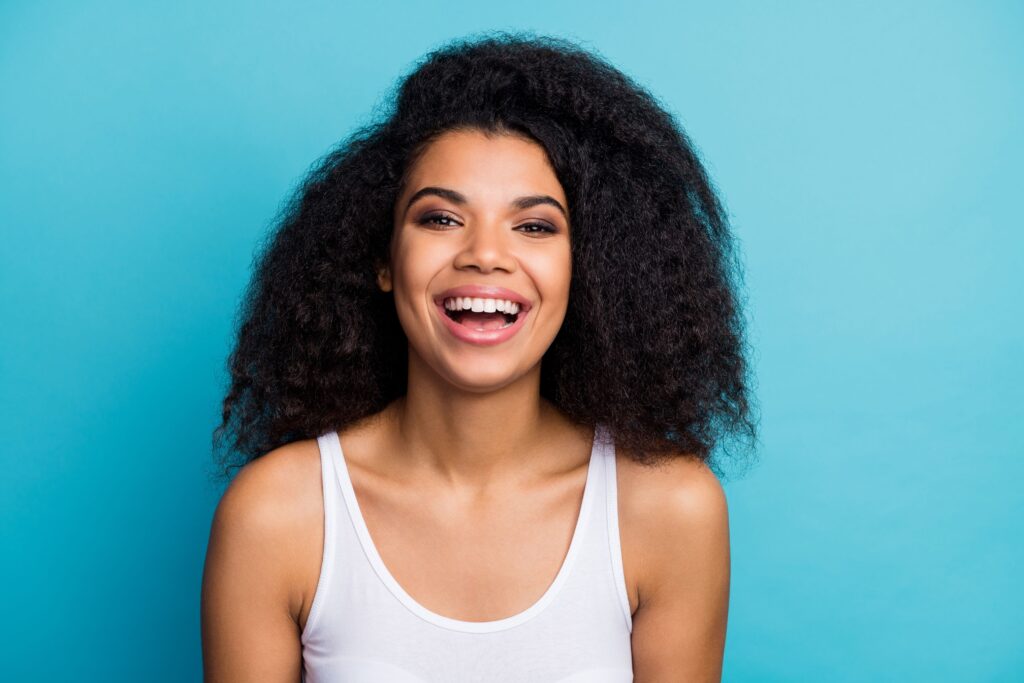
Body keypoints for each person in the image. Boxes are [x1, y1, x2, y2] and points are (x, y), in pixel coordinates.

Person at [201, 31, 757, 682]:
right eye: (440, 218)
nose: (485, 254)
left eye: (535, 225)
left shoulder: (669, 510)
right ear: (383, 260)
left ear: (588, 269)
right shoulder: (277, 516)